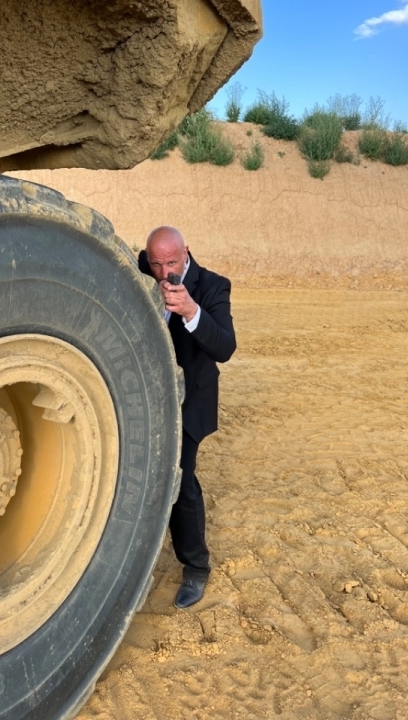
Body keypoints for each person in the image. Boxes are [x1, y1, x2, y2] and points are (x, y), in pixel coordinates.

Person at [139, 226, 236, 608]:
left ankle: (196, 568)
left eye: (171, 263)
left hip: (190, 399)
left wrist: (191, 311)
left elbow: (225, 347)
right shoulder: (141, 269)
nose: (164, 273)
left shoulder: (212, 286)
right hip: (148, 396)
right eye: (156, 264)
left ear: (186, 254)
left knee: (179, 480)